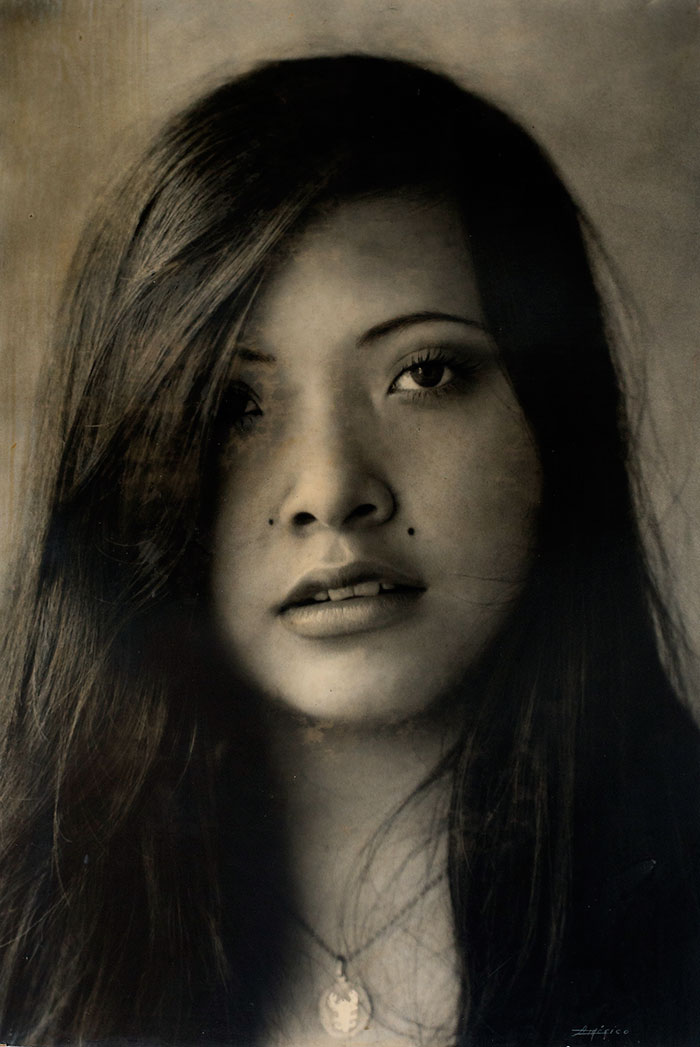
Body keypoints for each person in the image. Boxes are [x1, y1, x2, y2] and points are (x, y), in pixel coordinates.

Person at [0, 53, 699, 1047]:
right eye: (233, 404)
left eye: (426, 373)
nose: (332, 493)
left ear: (555, 422)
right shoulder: (25, 951)